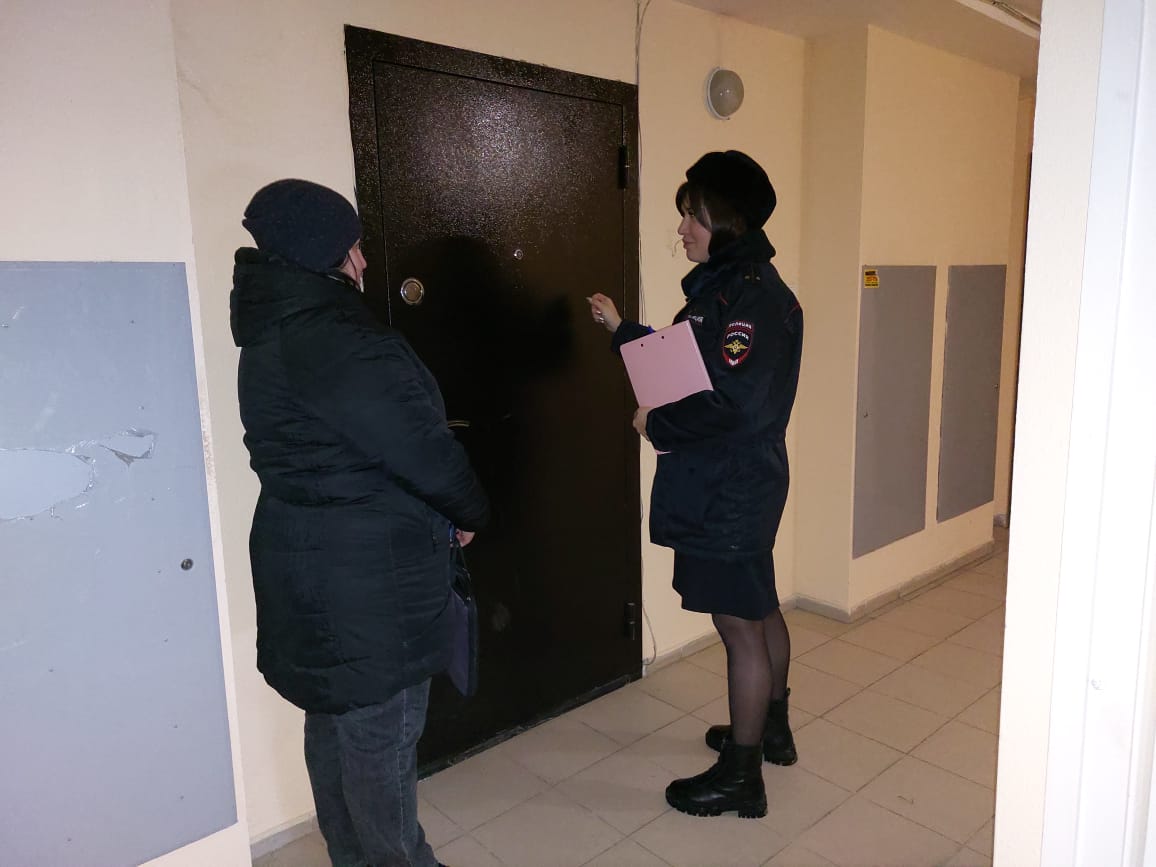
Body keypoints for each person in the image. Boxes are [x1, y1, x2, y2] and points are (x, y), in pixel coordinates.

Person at [231, 178, 488, 866]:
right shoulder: (340, 337)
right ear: (325, 251)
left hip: (302, 560)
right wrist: (470, 510)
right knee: (381, 735)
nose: (365, 260)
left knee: (332, 717)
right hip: (371, 578)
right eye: (354, 245)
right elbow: (423, 449)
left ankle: (350, 857)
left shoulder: (268, 330)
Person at [589, 151, 803, 819]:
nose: (682, 228)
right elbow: (690, 360)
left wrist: (656, 422)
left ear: (727, 221)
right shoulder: (729, 286)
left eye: (693, 216)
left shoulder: (750, 299)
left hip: (731, 484)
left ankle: (742, 776)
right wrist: (624, 330)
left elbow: (731, 404)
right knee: (758, 606)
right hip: (740, 478)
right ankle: (769, 730)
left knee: (738, 624)